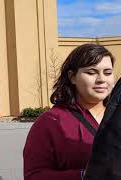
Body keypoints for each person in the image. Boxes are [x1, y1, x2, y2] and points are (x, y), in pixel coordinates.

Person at [23, 44, 115, 180]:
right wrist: (83, 176)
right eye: (91, 72)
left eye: (107, 73)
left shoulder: (117, 116)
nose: (101, 79)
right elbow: (33, 176)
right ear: (72, 77)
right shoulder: (50, 121)